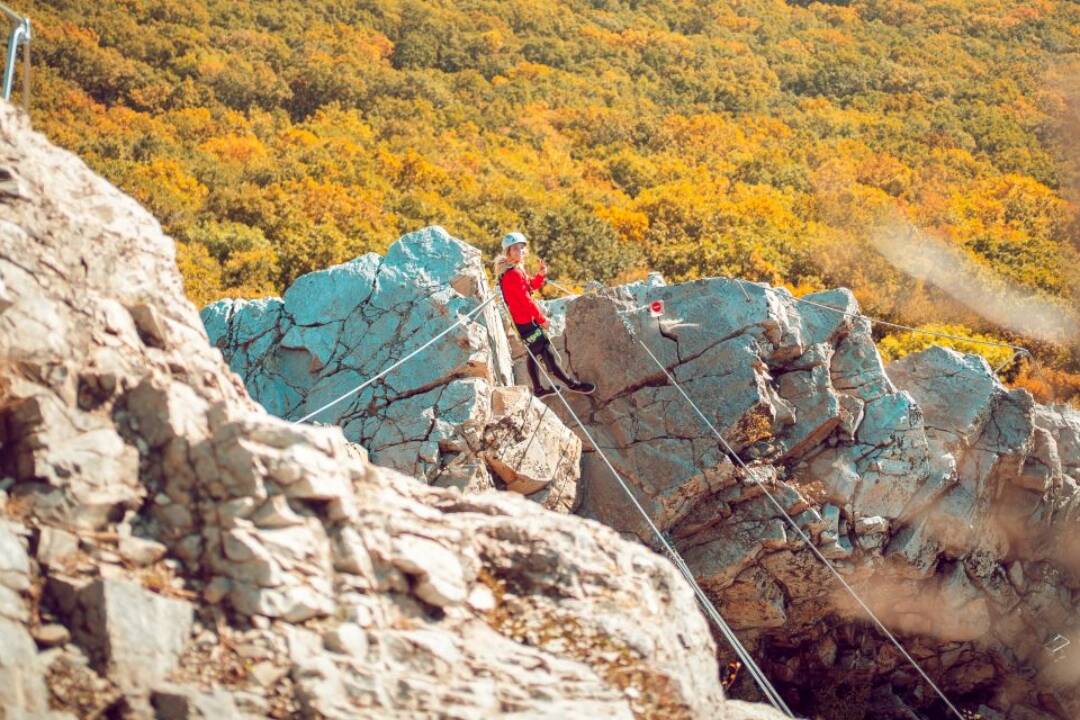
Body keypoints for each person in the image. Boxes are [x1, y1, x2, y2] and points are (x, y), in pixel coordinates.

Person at [494, 232, 595, 398]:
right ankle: (571, 384)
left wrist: (540, 275)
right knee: (545, 352)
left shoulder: (513, 271)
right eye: (515, 249)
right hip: (526, 321)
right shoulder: (513, 273)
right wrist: (542, 319)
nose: (520, 251)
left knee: (535, 353)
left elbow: (529, 287)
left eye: (521, 248)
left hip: (522, 321)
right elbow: (526, 300)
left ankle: (541, 389)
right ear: (508, 252)